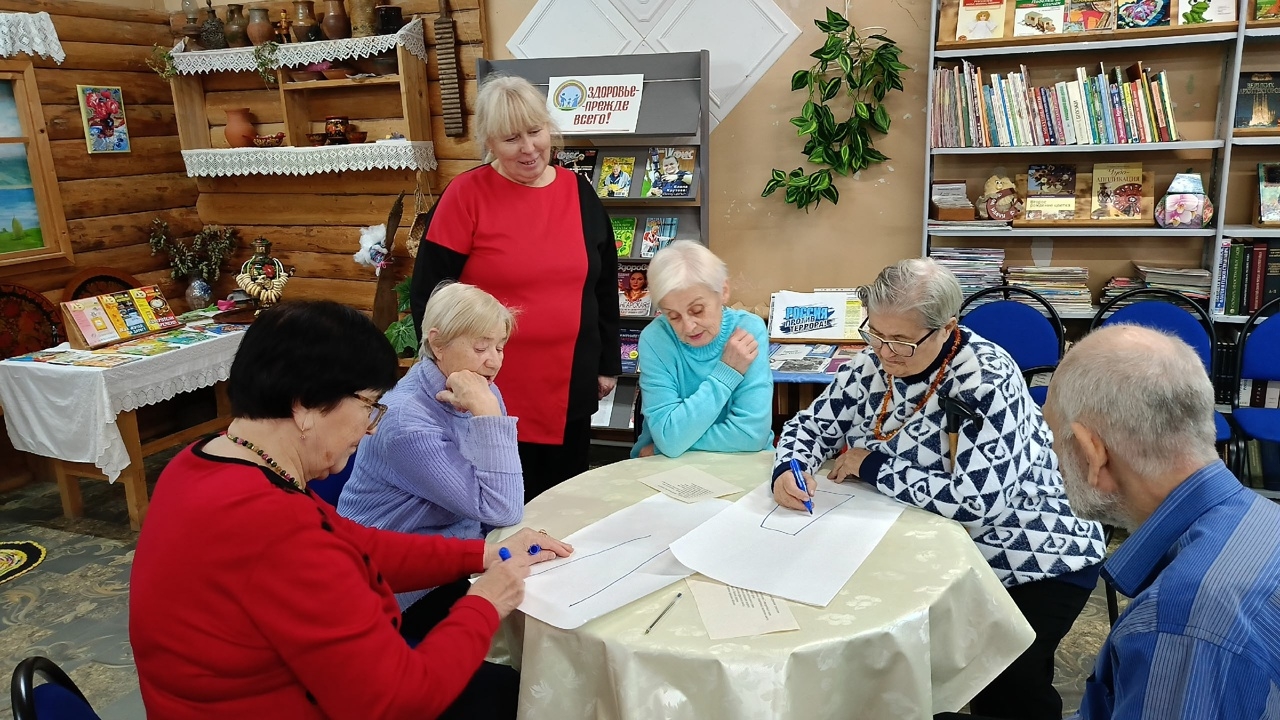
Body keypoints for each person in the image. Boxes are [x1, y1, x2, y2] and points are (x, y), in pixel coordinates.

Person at [130, 300, 572, 720]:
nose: (371, 426)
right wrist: (485, 602)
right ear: (305, 405)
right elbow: (398, 701)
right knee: (527, 696)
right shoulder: (274, 529)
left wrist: (483, 555)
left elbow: (354, 543)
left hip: (204, 703)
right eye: (368, 406)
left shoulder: (206, 460)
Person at [773, 258, 1106, 720]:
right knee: (908, 675)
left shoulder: (985, 378)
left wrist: (872, 465)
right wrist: (790, 466)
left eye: (902, 341)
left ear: (946, 328)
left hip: (1034, 555)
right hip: (942, 552)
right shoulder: (871, 363)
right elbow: (811, 426)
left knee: (1007, 690)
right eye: (876, 333)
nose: (886, 352)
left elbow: (976, 502)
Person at [1045, 325, 1280, 720]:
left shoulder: (1179, 623)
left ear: (1092, 453)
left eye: (1053, 439)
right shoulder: (1262, 517)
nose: (1053, 461)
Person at [410, 74, 621, 503]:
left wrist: (606, 364)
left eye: (535, 132)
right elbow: (430, 295)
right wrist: (448, 371)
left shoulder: (579, 192)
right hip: (489, 384)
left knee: (561, 504)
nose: (528, 148)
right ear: (489, 142)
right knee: (499, 503)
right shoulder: (465, 195)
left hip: (568, 384)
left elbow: (602, 286)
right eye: (511, 139)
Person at [339, 283, 522, 641]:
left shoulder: (480, 391)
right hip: (396, 588)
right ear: (438, 344)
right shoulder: (407, 421)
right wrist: (488, 414)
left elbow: (494, 500)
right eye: (481, 347)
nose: (494, 361)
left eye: (500, 347)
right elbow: (502, 508)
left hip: (456, 553)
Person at [633, 240, 773, 459]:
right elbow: (668, 437)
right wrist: (726, 373)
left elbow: (751, 434)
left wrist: (667, 444)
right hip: (666, 467)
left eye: (697, 310)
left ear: (723, 291)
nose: (688, 327)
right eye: (673, 316)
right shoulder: (655, 338)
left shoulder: (748, 329)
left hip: (741, 462)